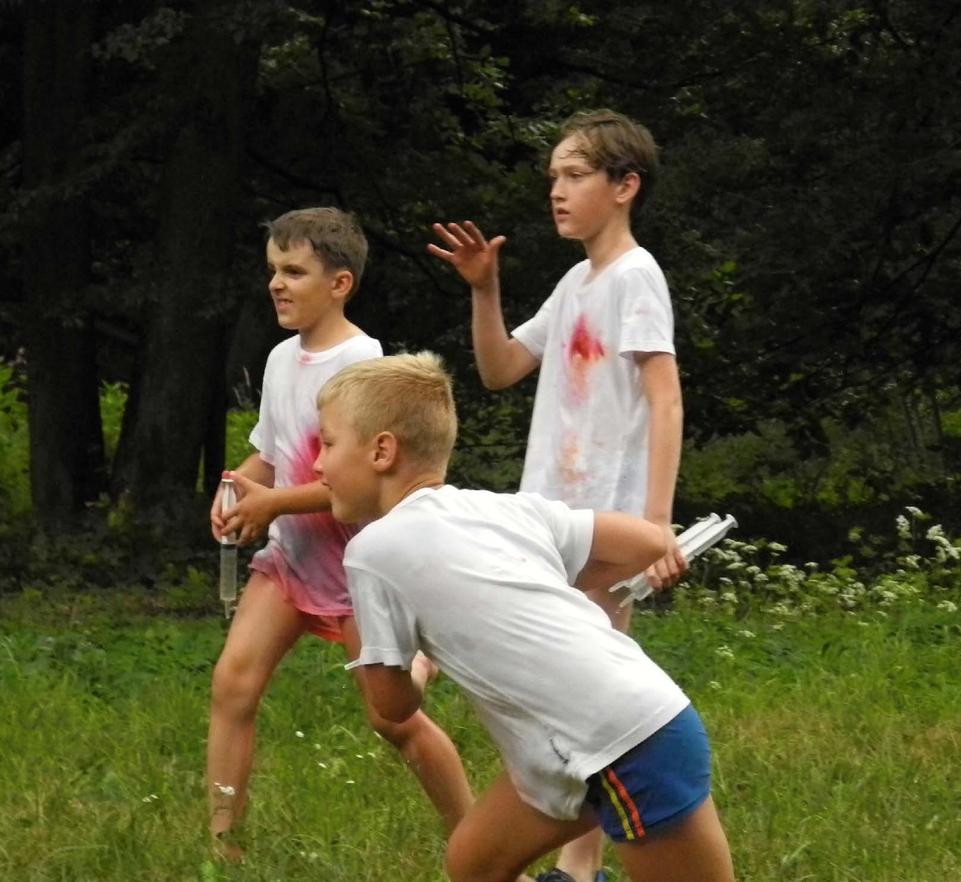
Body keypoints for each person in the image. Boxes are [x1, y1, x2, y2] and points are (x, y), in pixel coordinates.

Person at [312, 351, 734, 882]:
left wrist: (420, 667)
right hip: (587, 740)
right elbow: (649, 544)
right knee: (474, 865)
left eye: (327, 443)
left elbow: (392, 704)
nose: (317, 464)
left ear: (382, 451)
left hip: (628, 742)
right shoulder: (504, 510)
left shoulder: (372, 552)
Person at [428, 109, 686, 882]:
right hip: (546, 518)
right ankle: (578, 871)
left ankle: (582, 870)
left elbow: (665, 400)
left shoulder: (637, 277)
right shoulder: (577, 281)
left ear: (624, 186)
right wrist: (486, 289)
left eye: (575, 175)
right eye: (554, 178)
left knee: (587, 703)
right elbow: (502, 366)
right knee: (567, 699)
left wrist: (656, 523)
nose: (558, 191)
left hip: (606, 522)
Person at [206, 208, 473, 859]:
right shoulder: (277, 359)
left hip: (361, 571)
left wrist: (271, 503)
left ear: (340, 283)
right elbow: (268, 456)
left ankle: (475, 846)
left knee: (393, 720)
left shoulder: (367, 367)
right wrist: (237, 489)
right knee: (232, 685)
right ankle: (221, 852)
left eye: (294, 271)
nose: (277, 283)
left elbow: (357, 490)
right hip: (291, 565)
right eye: (273, 270)